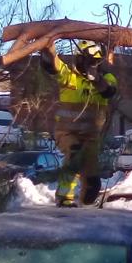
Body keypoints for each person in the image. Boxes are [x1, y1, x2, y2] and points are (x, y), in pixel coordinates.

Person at [40, 40, 118, 207]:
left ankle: (86, 205)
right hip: (67, 132)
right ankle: (64, 197)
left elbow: (108, 91)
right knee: (74, 155)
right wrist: (50, 52)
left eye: (96, 62)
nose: (92, 65)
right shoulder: (70, 77)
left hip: (90, 136)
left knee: (92, 183)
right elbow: (55, 67)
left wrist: (96, 79)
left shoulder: (106, 78)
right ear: (80, 59)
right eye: (89, 61)